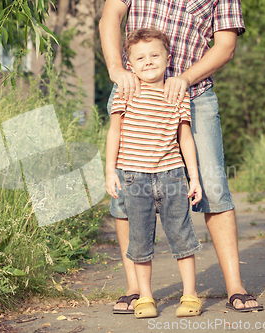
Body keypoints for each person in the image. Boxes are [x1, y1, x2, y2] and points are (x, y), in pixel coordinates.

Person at [99, 0, 264, 313]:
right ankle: (136, 289)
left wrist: (185, 79)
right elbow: (111, 15)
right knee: (126, 191)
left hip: (193, 94)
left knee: (213, 185)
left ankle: (235, 287)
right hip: (133, 90)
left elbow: (225, 45)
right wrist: (116, 69)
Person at [105, 28, 203, 319]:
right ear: (129, 64)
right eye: (140, 57)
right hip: (134, 177)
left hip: (172, 175)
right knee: (139, 241)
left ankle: (190, 294)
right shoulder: (126, 91)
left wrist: (194, 176)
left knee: (182, 236)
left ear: (168, 58)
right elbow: (114, 132)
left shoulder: (177, 94)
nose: (148, 61)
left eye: (154, 55)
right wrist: (111, 171)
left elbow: (185, 138)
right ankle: (145, 297)